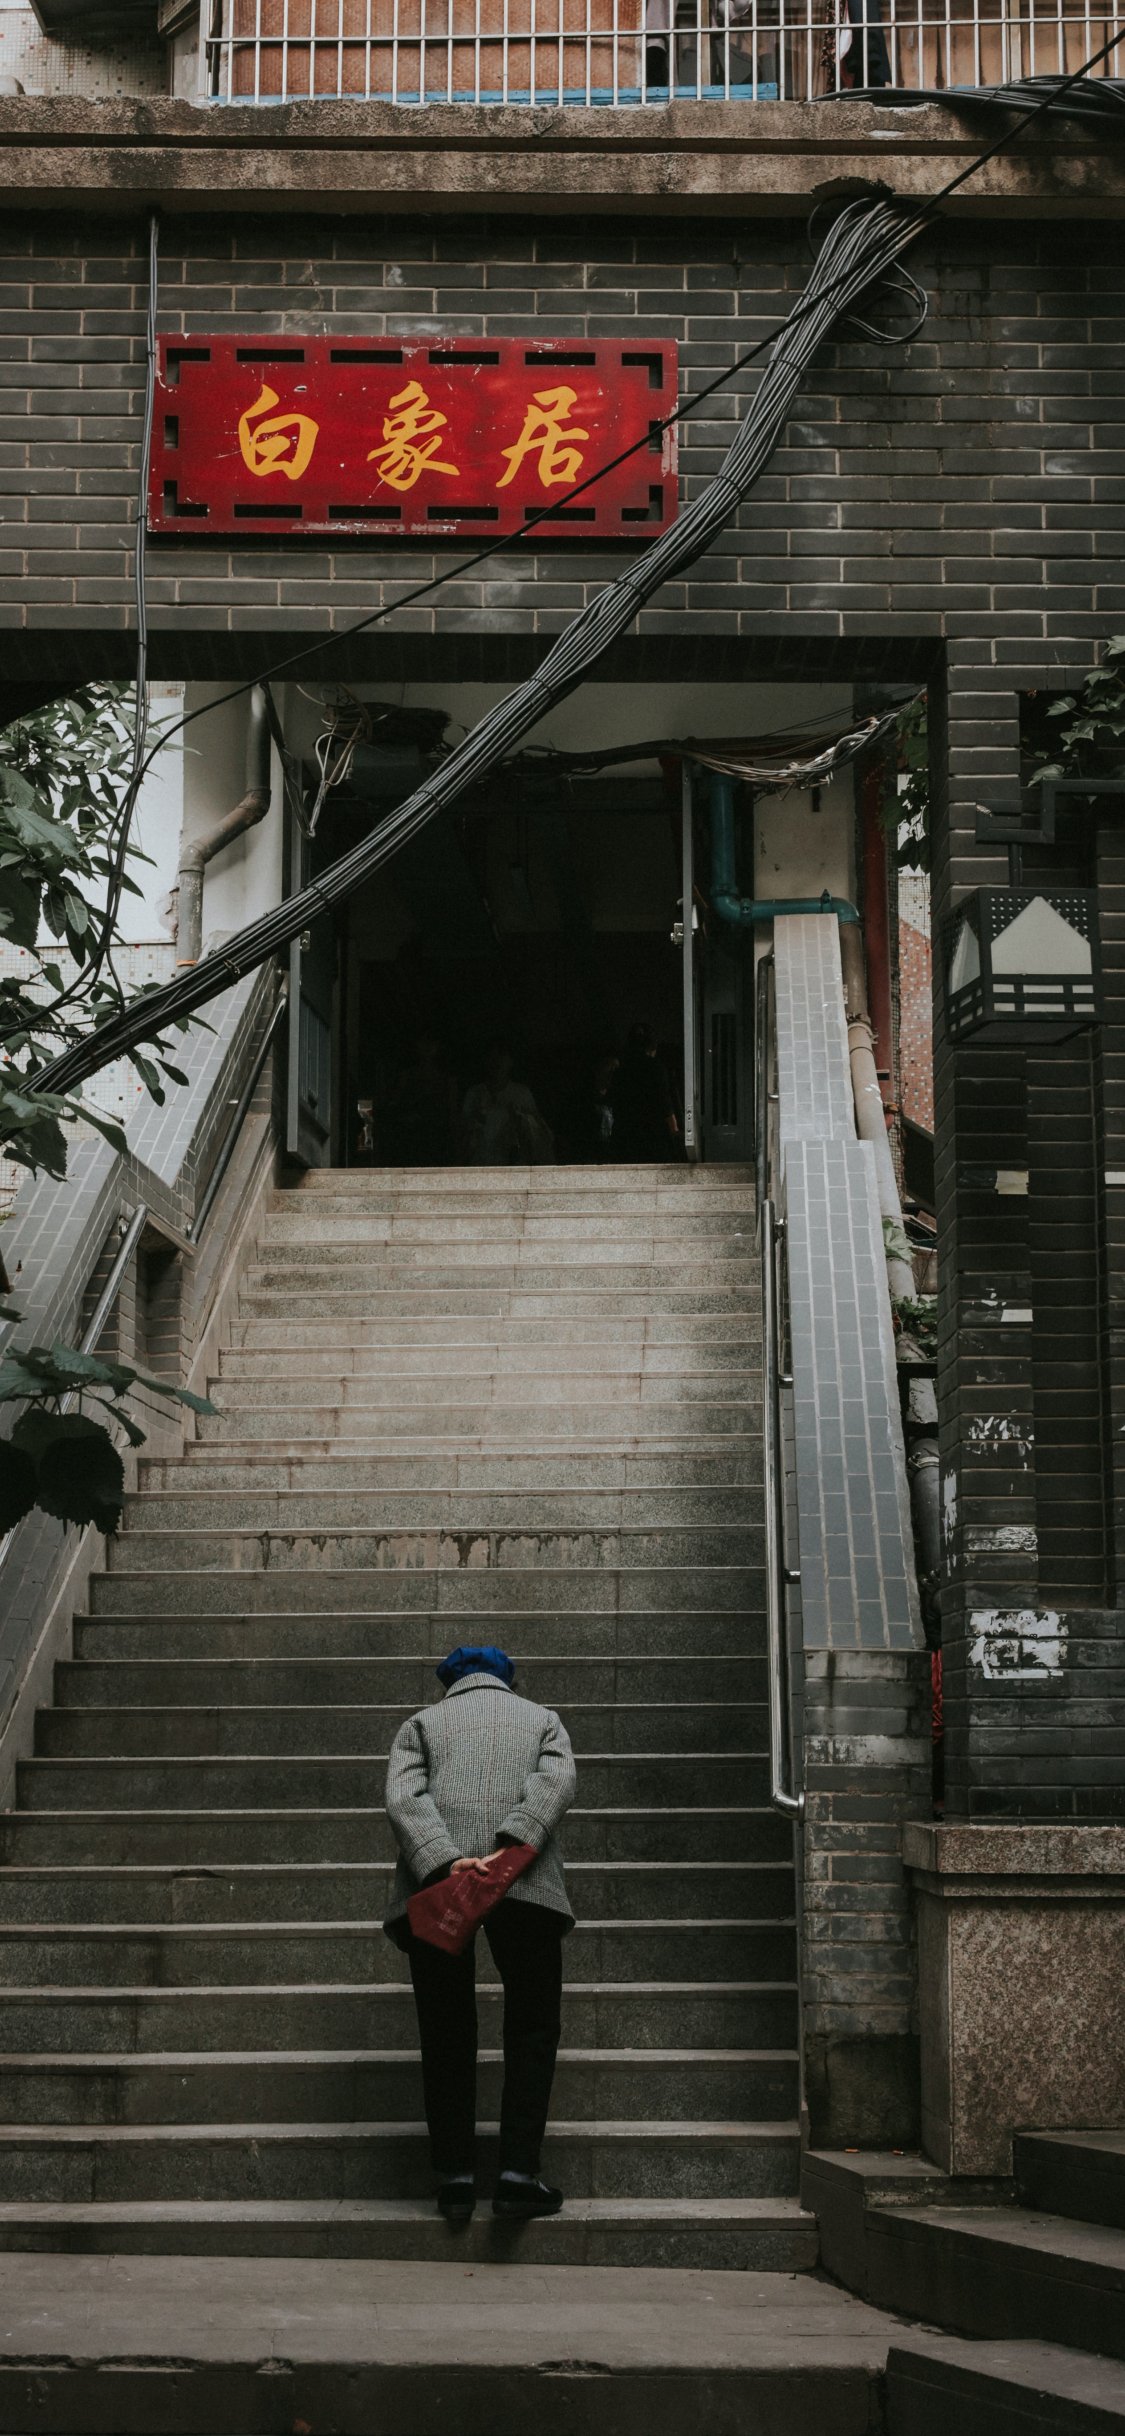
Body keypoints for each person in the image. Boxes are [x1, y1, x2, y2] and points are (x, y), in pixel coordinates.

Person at [384, 1643, 577, 2223]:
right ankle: (517, 2175)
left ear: (451, 1683)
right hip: (526, 1884)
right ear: (507, 1681)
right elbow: (558, 1781)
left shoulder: (420, 1724)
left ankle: (456, 2179)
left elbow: (403, 1797)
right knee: (532, 2026)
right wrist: (509, 1847)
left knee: (446, 2030)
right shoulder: (543, 1719)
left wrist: (447, 1863)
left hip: (439, 1890)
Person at [460, 1042, 555, 1164]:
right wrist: (477, 1117)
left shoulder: (521, 1093)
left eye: (501, 1055)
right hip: (480, 1163)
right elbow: (462, 1135)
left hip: (513, 1165)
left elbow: (538, 1134)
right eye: (492, 1056)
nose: (496, 1062)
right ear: (485, 1061)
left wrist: (521, 1119)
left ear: (510, 1061)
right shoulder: (474, 1093)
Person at [612, 1022, 680, 1162]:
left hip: (625, 1135)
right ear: (653, 1046)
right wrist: (674, 1129)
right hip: (652, 1135)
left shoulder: (620, 1069)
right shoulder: (655, 1067)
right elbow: (664, 1101)